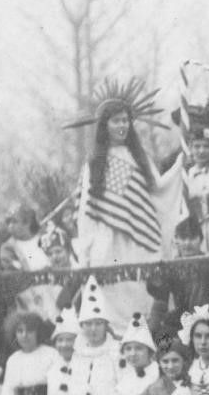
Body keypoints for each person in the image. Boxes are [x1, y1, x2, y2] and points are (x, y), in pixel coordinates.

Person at [69, 83, 183, 324]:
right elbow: (86, 213)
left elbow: (159, 192)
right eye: (116, 121)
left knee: (140, 300)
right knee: (109, 302)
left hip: (138, 241)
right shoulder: (95, 163)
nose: (122, 126)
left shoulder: (140, 158)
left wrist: (180, 167)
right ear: (104, 126)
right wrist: (86, 253)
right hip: (107, 244)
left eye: (125, 121)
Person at [168, 98, 209, 250]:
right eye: (197, 147)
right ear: (190, 148)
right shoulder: (185, 174)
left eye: (206, 147)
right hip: (194, 232)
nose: (201, 151)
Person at [0, 206, 50, 272]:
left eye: (14, 222)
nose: (10, 226)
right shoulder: (8, 248)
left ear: (27, 223)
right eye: (8, 222)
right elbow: (14, 272)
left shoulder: (45, 237)